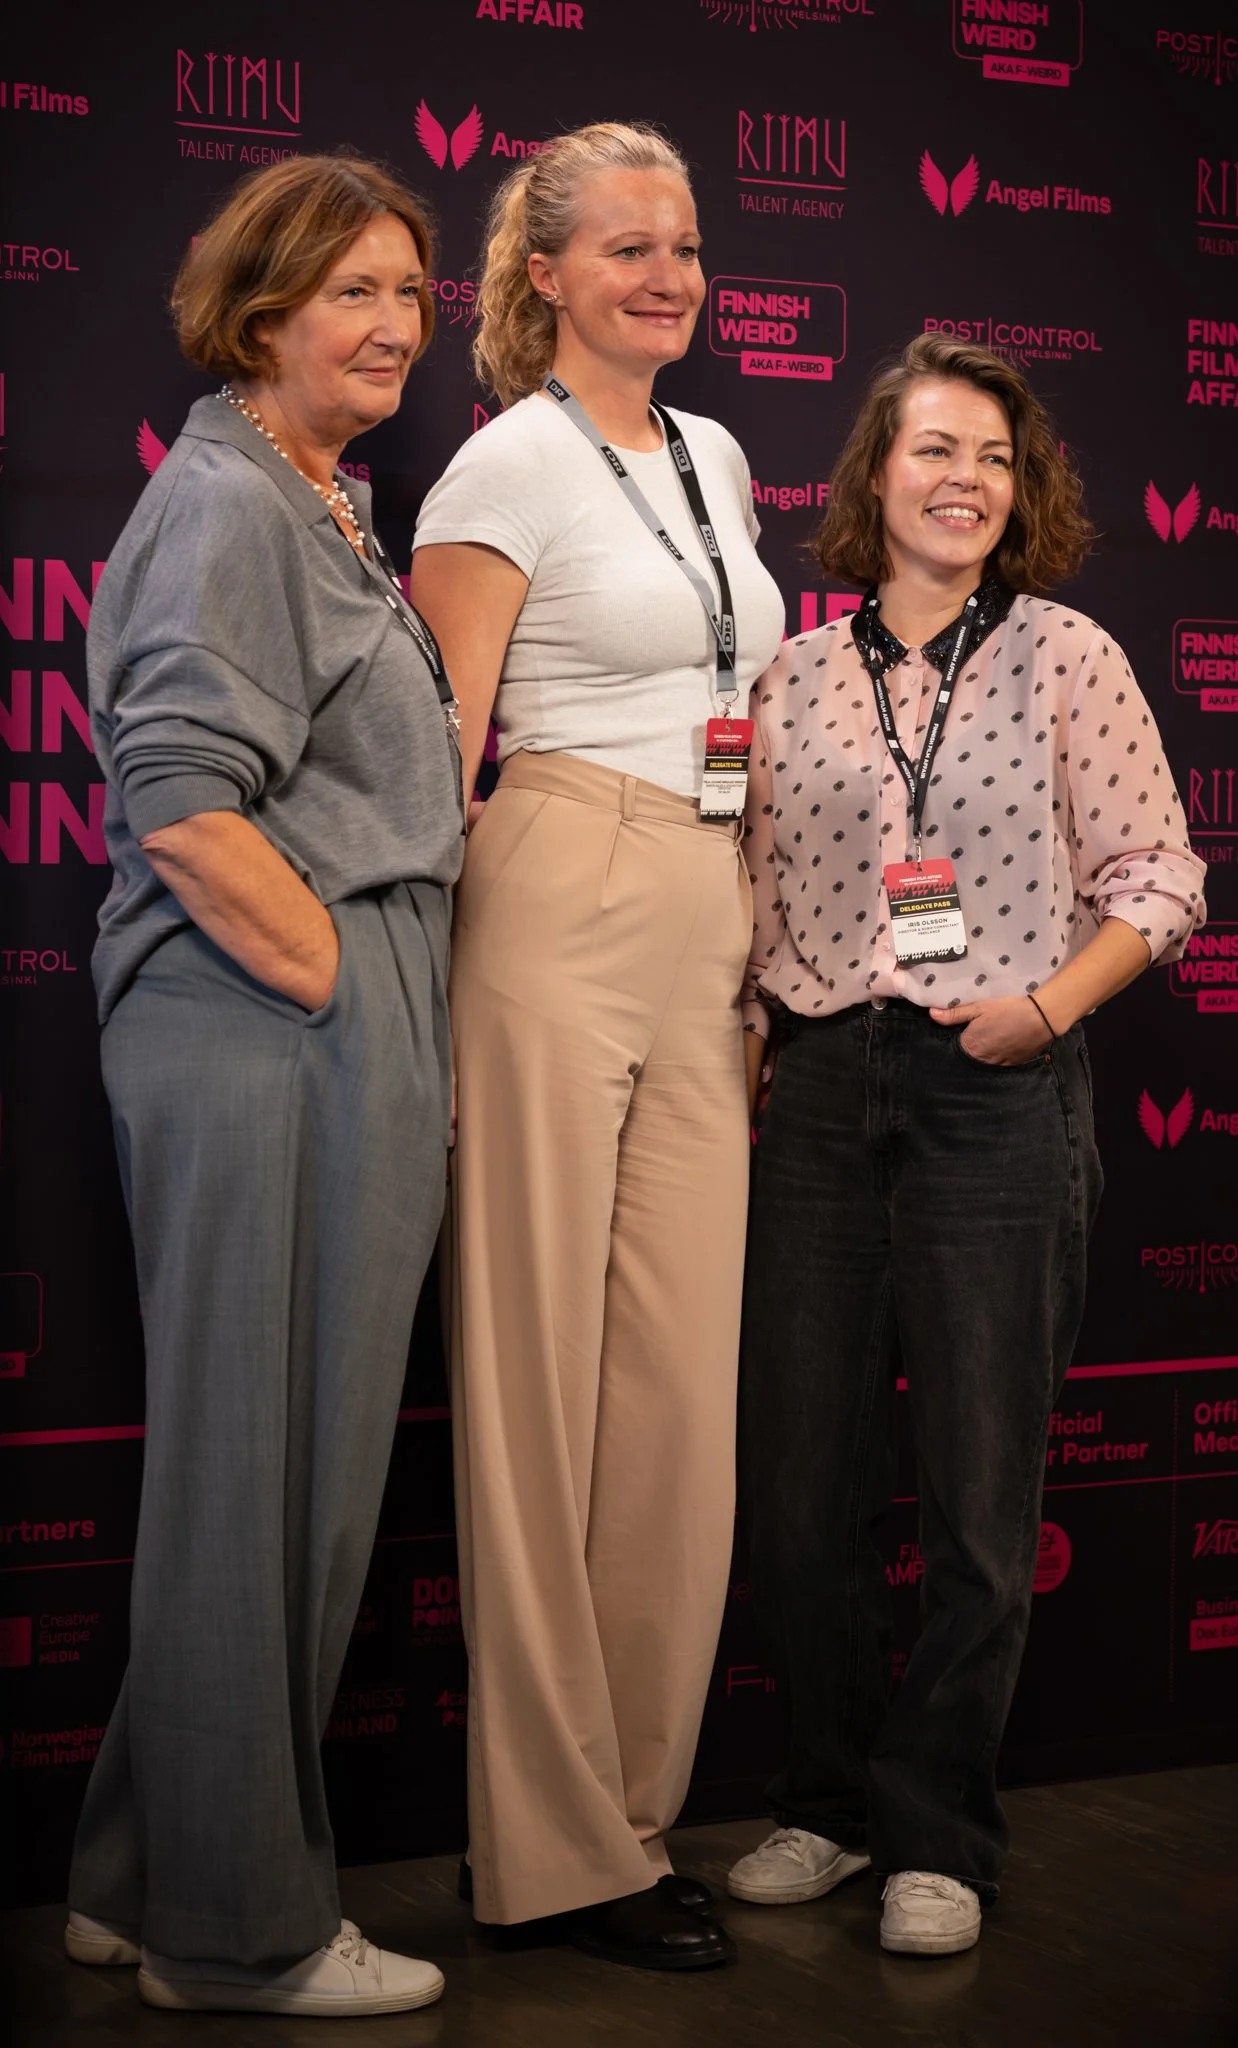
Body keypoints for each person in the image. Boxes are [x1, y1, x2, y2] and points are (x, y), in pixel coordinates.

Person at [726, 333, 1206, 1956]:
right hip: (815, 1087)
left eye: (993, 459)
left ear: (1024, 490)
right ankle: (825, 1800)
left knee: (977, 1493)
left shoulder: (1067, 656)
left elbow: (1159, 879)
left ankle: (936, 1829)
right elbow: (743, 900)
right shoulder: (788, 679)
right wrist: (744, 1045)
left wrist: (1041, 1013)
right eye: (933, 451)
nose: (964, 483)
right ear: (873, 478)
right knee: (799, 1485)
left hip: (993, 1082)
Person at [64, 155, 463, 2018]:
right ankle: (238, 1934)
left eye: (407, 291)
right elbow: (176, 796)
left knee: (258, 1471)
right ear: (258, 315)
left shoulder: (315, 496)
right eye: (349, 294)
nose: (391, 325)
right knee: (265, 1485)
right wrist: (330, 980)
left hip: (306, 1004)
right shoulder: (230, 499)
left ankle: (146, 1876)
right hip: (270, 1011)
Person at [409, 122, 785, 1971]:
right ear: (541, 274)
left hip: (711, 917)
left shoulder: (713, 454)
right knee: (537, 1386)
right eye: (625, 247)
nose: (667, 274)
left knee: (669, 1406)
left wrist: (765, 947)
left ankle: (635, 1820)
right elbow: (433, 756)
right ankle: (544, 1852)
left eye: (688, 247)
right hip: (551, 885)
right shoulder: (501, 464)